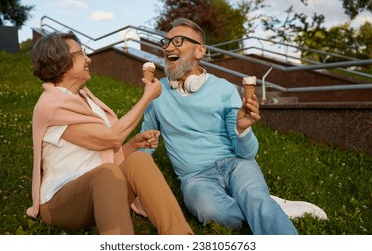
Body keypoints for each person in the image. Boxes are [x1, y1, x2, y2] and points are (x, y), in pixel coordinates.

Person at [141, 18, 326, 235]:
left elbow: (246, 153)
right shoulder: (156, 92)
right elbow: (146, 142)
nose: (169, 47)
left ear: (200, 51)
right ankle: (266, 207)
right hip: (195, 177)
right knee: (211, 211)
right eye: (166, 42)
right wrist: (133, 176)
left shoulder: (225, 89)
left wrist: (242, 130)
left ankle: (259, 203)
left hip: (235, 164)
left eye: (178, 41)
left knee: (253, 195)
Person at [26, 31, 193, 235]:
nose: (88, 59)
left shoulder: (85, 97)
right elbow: (111, 139)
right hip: (60, 202)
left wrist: (133, 146)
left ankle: (180, 237)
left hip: (102, 189)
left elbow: (100, 152)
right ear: (59, 60)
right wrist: (147, 98)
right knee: (106, 174)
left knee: (139, 161)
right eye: (81, 54)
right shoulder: (51, 106)